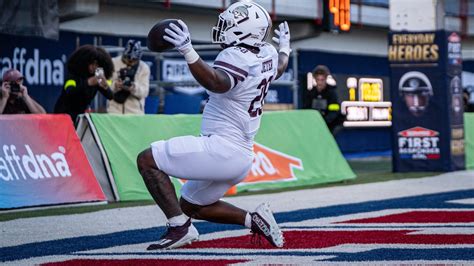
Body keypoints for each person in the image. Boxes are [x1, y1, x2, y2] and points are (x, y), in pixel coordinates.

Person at [136, 1, 290, 250]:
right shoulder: (268, 53)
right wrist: (285, 49)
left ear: (245, 30)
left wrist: (188, 51)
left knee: (147, 160)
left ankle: (179, 228)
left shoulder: (235, 56)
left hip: (221, 148)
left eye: (229, 25)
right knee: (191, 205)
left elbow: (218, 82)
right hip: (241, 157)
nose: (222, 28)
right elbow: (280, 68)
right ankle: (254, 221)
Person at [54, 45, 114, 124]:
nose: (94, 67)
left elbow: (110, 96)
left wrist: (105, 85)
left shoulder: (96, 77)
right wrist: (88, 83)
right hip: (63, 114)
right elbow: (70, 91)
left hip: (79, 117)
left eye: (97, 65)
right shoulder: (73, 75)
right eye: (92, 63)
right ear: (85, 62)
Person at [107, 40, 150, 114]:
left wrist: (133, 87)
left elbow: (145, 91)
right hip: (114, 111)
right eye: (128, 59)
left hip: (135, 113)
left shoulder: (144, 68)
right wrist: (115, 85)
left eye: (133, 60)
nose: (130, 62)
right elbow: (106, 82)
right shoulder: (112, 63)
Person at [303, 65, 343, 134]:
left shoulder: (332, 93)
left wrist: (324, 121)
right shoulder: (310, 93)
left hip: (329, 127)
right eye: (318, 80)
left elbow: (334, 111)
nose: (320, 83)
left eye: (322, 80)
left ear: (326, 79)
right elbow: (306, 109)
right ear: (315, 79)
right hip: (313, 126)